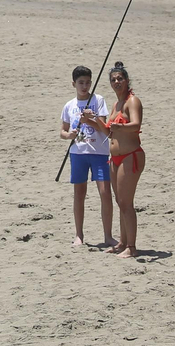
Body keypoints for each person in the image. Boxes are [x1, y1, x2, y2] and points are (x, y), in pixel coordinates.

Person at [60, 65, 114, 249]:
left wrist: (90, 119)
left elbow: (104, 127)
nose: (85, 86)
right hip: (78, 153)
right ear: (74, 84)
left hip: (99, 152)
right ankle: (79, 235)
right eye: (81, 83)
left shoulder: (98, 100)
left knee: (105, 193)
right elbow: (63, 131)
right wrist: (69, 135)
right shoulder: (69, 105)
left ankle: (108, 236)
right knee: (79, 194)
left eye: (88, 82)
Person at [104, 62, 143, 257]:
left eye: (120, 78)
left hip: (131, 156)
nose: (117, 82)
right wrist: (92, 121)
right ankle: (122, 242)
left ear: (127, 81)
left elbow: (136, 125)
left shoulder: (132, 101)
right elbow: (108, 131)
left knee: (126, 203)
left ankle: (132, 247)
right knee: (120, 201)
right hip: (115, 158)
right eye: (113, 80)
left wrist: (120, 128)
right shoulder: (116, 104)